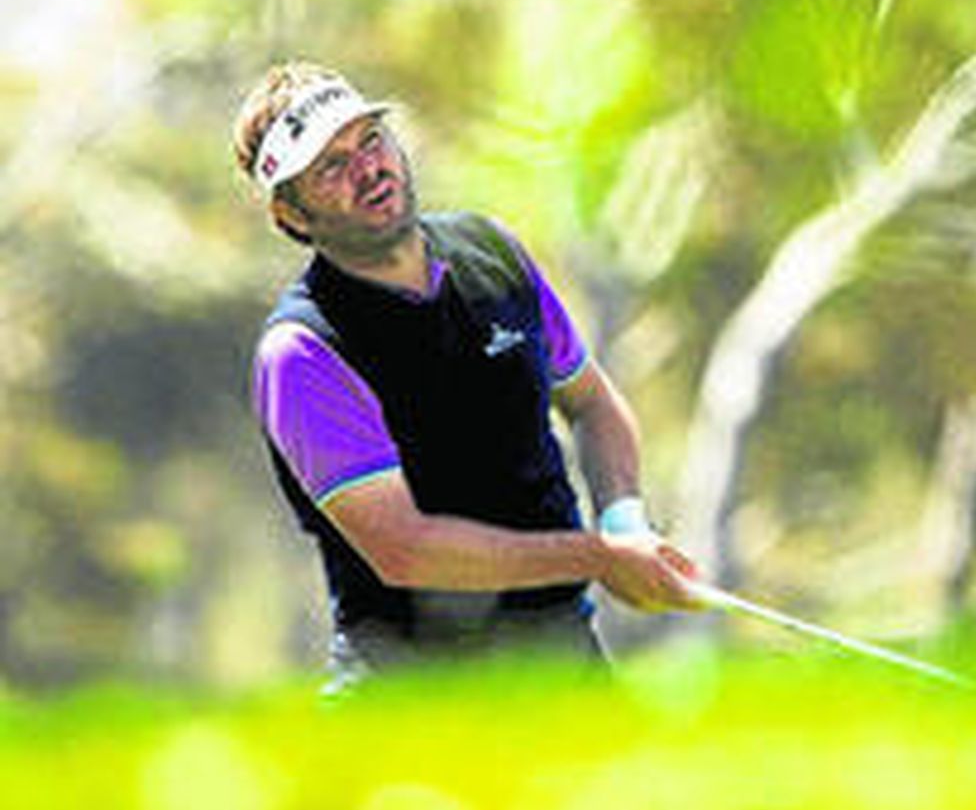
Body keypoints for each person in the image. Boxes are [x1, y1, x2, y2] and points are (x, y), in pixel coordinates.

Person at [232, 61, 700, 686]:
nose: (368, 170)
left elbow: (592, 402)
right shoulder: (303, 351)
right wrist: (600, 557)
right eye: (331, 168)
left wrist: (624, 525)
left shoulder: (491, 253)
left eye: (371, 140)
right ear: (292, 215)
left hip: (565, 662)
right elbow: (405, 550)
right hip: (414, 698)